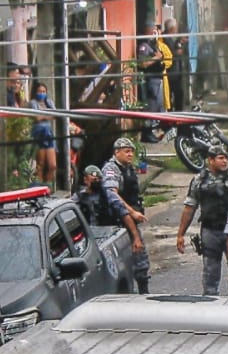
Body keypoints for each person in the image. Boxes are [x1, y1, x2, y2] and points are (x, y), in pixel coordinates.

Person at [174, 144, 228, 295]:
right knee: (210, 274)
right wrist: (180, 234)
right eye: (220, 158)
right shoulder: (199, 180)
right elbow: (189, 208)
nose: (224, 161)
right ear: (210, 160)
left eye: (226, 158)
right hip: (211, 231)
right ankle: (210, 306)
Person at [74, 163, 148, 293]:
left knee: (121, 271)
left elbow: (125, 215)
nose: (97, 181)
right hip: (87, 241)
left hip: (108, 238)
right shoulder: (78, 199)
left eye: (99, 179)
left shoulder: (108, 195)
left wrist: (136, 238)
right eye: (93, 179)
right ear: (85, 180)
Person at [137, 24, 170, 141]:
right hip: (150, 81)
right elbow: (143, 64)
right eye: (152, 29)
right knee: (150, 107)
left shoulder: (152, 44)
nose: (154, 32)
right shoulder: (144, 46)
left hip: (157, 80)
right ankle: (147, 133)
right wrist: (156, 58)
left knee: (157, 106)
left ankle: (153, 130)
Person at [29, 80, 57, 185]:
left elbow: (55, 115)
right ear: (35, 93)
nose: (42, 94)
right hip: (39, 134)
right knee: (41, 164)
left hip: (49, 135)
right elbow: (37, 118)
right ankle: (40, 189)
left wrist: (43, 116)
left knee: (52, 165)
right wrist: (47, 115)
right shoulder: (33, 103)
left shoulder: (49, 102)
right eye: (39, 91)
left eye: (44, 91)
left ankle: (48, 186)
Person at [163, 19, 189, 111]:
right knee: (176, 94)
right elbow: (171, 53)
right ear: (172, 28)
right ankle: (175, 115)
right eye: (175, 27)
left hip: (175, 72)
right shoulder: (165, 38)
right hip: (172, 73)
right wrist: (178, 51)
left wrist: (180, 42)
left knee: (178, 94)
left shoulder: (170, 38)